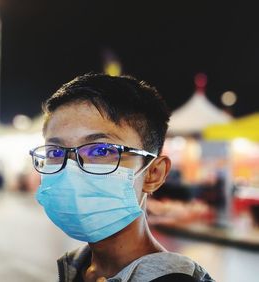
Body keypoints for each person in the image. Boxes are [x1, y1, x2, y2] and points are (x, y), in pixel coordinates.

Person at [29, 73, 214, 282]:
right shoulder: (76, 266)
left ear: (154, 173)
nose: (71, 170)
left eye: (100, 151)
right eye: (55, 152)